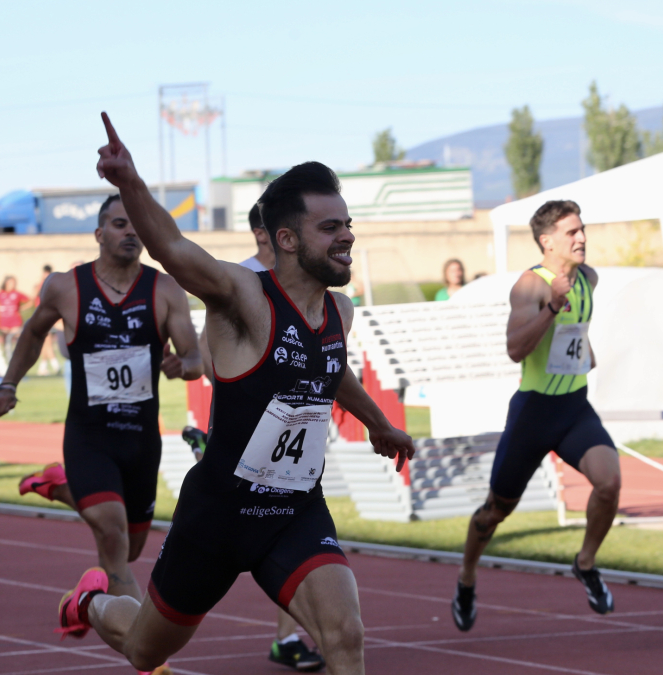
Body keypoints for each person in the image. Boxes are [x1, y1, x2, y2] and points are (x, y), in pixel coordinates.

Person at [55, 114, 414, 675]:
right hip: (219, 517)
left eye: (347, 224)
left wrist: (377, 422)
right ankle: (91, 603)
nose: (346, 236)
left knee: (345, 635)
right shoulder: (244, 297)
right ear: (287, 239)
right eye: (330, 227)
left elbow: (330, 368)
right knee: (146, 651)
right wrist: (129, 182)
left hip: (294, 509)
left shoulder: (338, 311)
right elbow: (172, 247)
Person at [0, 190, 202, 663]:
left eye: (137, 225)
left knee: (131, 547)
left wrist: (183, 366)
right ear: (99, 233)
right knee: (112, 535)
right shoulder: (66, 287)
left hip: (141, 439)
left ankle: (61, 487)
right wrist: (8, 384)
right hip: (89, 435)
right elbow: (33, 332)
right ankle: (147, 654)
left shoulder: (165, 289)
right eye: (120, 224)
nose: (131, 232)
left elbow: (193, 355)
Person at [452, 200, 620, 633]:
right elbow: (515, 350)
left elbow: (576, 330)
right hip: (534, 413)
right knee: (494, 512)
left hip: (574, 407)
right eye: (571, 232)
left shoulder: (589, 278)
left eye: (582, 229)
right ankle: (466, 578)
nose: (582, 238)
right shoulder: (530, 286)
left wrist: (584, 350)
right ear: (547, 241)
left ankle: (585, 563)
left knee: (609, 482)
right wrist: (552, 308)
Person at [186, 202, 325, 671]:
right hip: (242, 434)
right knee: (157, 634)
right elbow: (208, 354)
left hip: (294, 438)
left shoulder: (309, 283)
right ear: (264, 233)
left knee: (291, 531)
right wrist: (251, 385)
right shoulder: (241, 279)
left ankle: (287, 637)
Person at [0, 275, 31, 358]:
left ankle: (17, 356)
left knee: (17, 338)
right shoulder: (1, 294)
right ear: (6, 283)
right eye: (12, 282)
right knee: (6, 341)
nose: (14, 284)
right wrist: (0, 308)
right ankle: (7, 356)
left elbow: (30, 301)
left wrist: (21, 308)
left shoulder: (17, 294)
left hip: (15, 322)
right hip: (4, 322)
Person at [34, 264, 61, 375]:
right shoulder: (40, 285)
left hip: (48, 315)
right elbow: (34, 297)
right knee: (46, 342)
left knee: (46, 342)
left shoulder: (52, 284)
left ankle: (46, 367)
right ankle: (53, 366)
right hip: (42, 315)